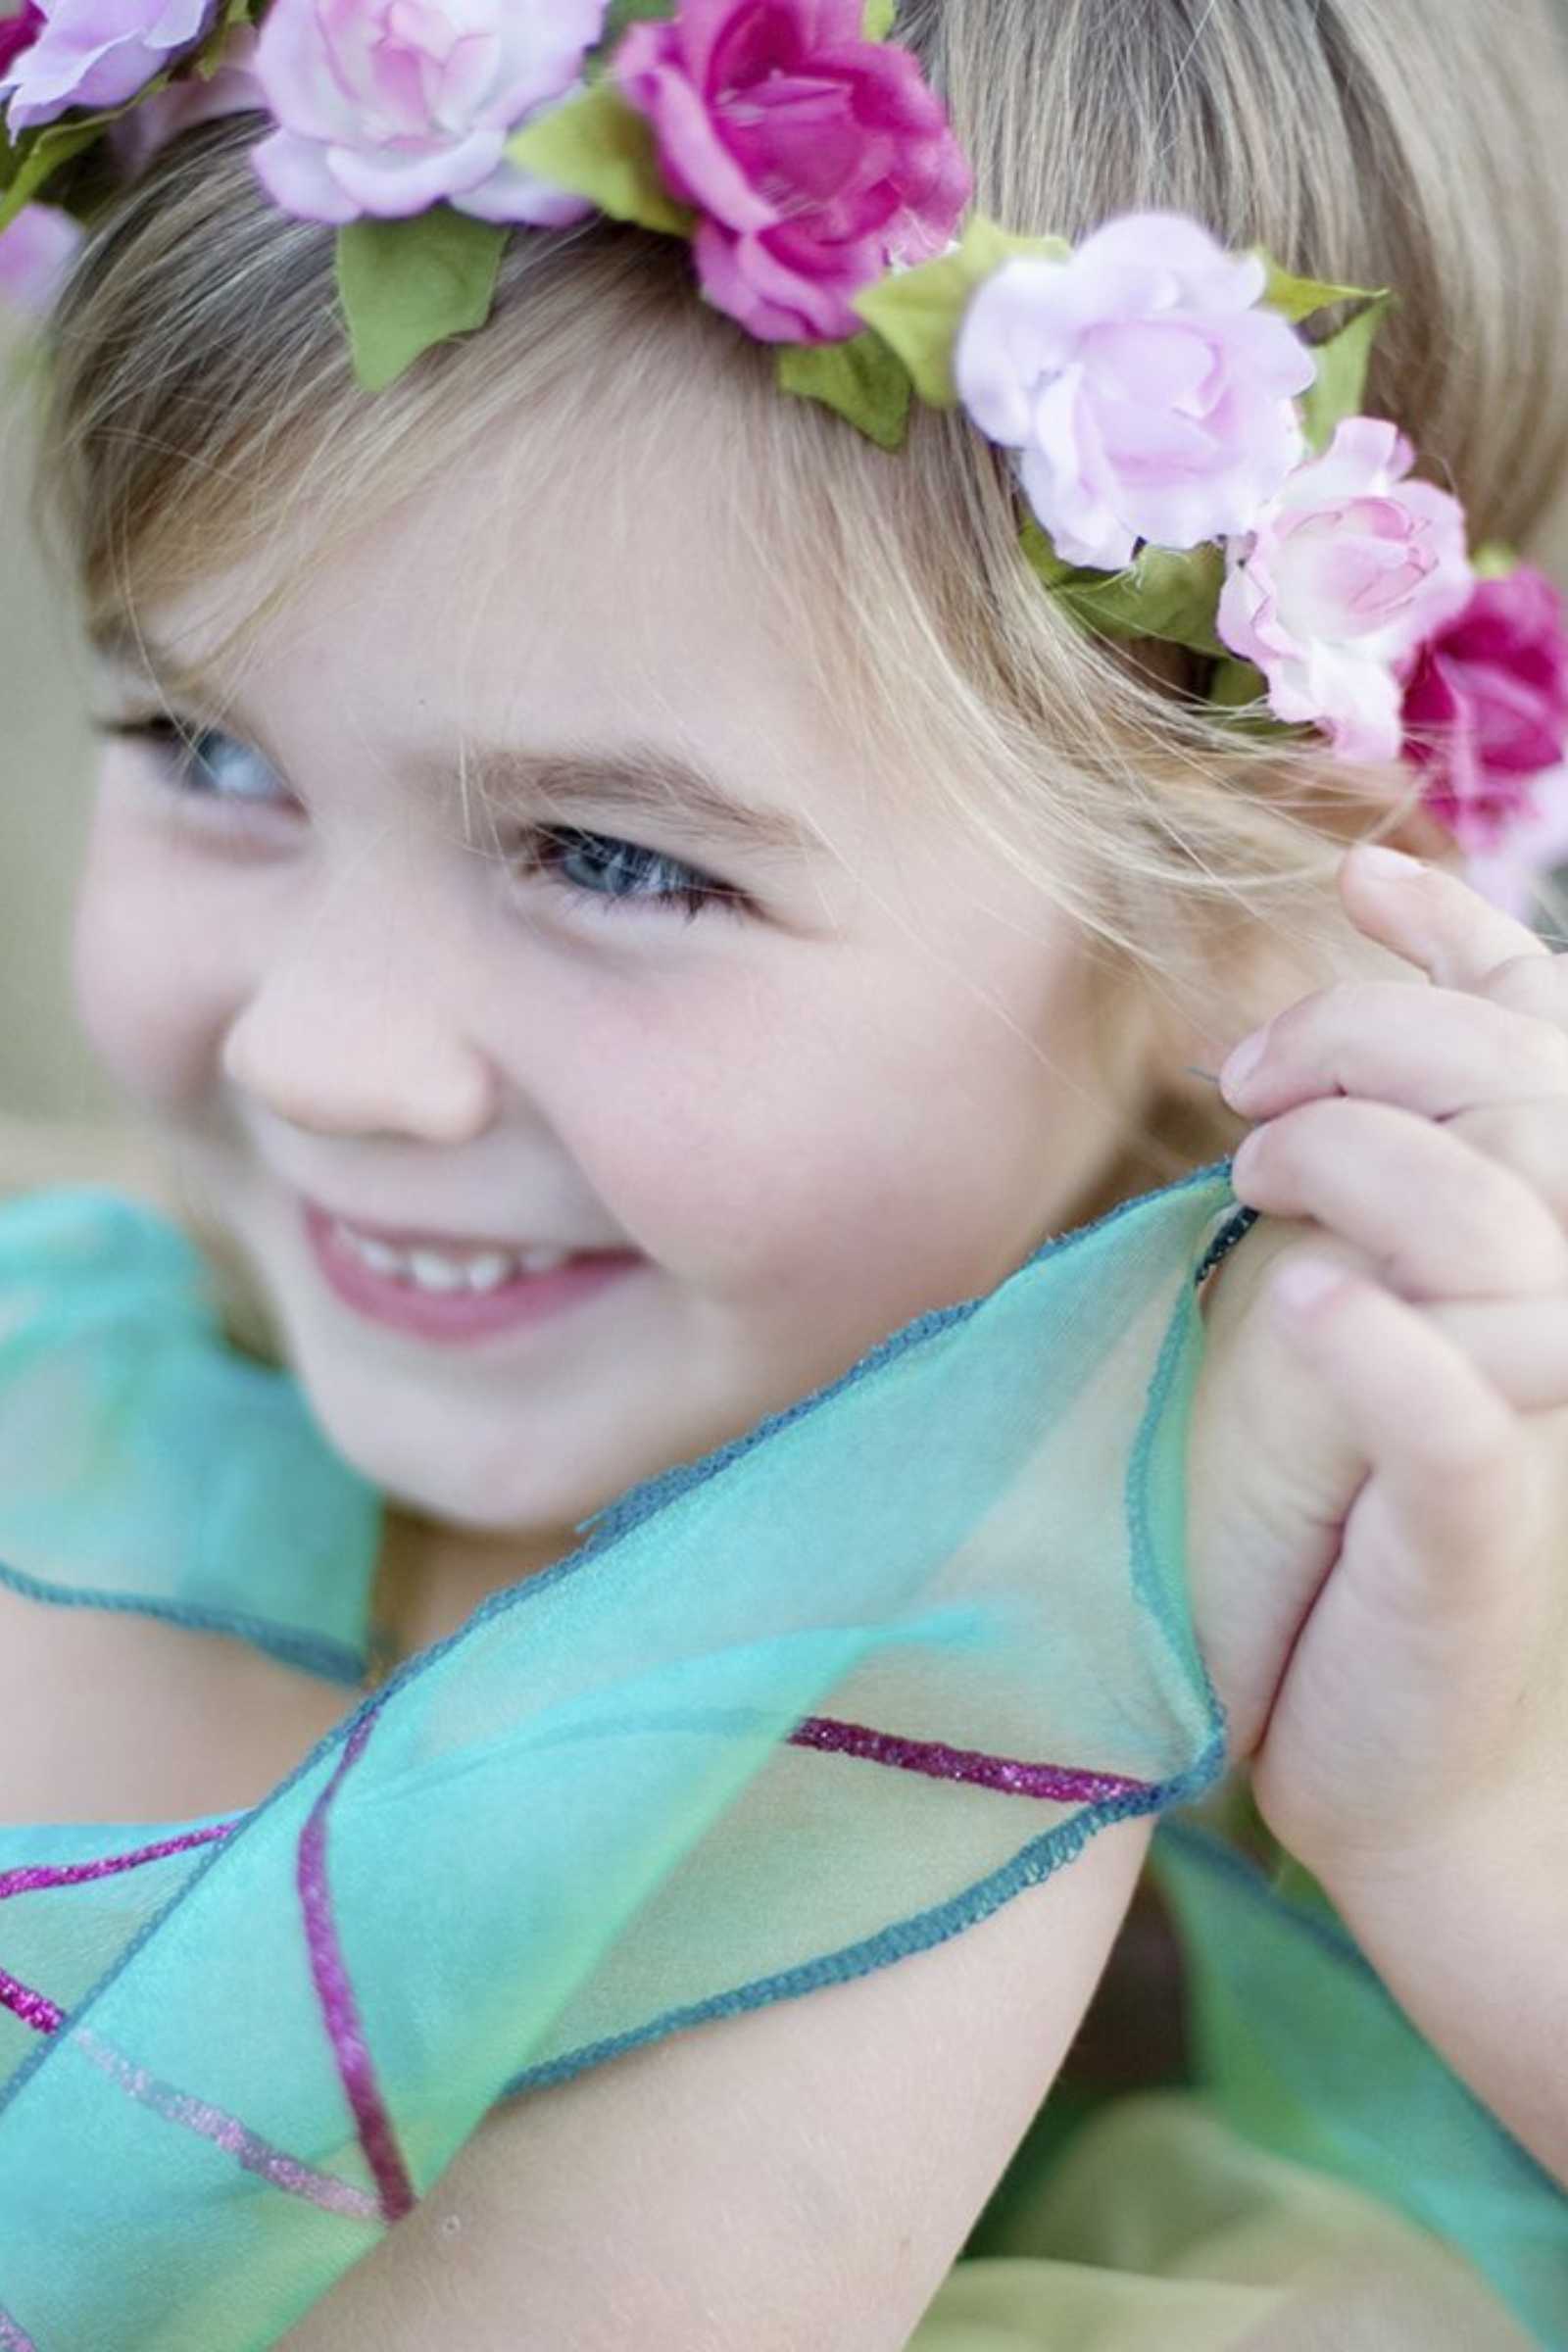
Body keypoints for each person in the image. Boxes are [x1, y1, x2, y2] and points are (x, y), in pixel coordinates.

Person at [0, 0, 1566, 2344]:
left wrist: (1465, 1838)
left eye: (612, 863)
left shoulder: (1481, 1627)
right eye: (204, 748)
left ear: (1247, 909)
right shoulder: (83, 1483)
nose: (319, 1060)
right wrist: (1066, 1617)